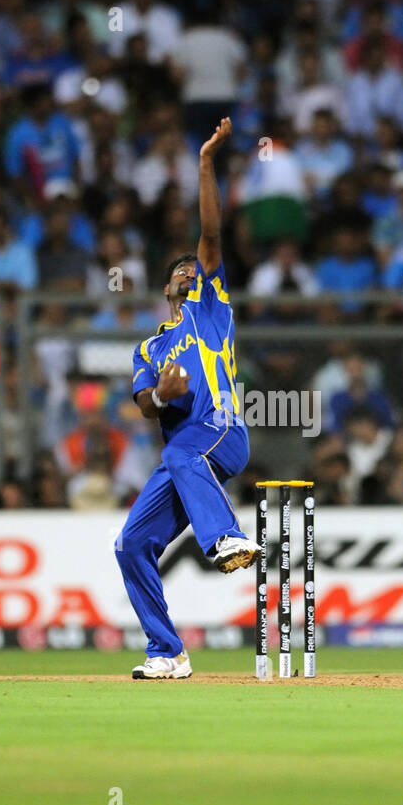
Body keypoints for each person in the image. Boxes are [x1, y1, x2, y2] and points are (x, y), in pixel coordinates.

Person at [114, 118, 260, 680]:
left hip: (222, 433)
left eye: (192, 267)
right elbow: (145, 406)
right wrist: (160, 393)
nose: (188, 269)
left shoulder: (210, 307)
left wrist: (205, 163)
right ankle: (167, 651)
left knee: (179, 454)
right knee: (130, 545)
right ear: (165, 287)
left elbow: (212, 235)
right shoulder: (150, 346)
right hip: (184, 456)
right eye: (179, 269)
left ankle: (225, 536)